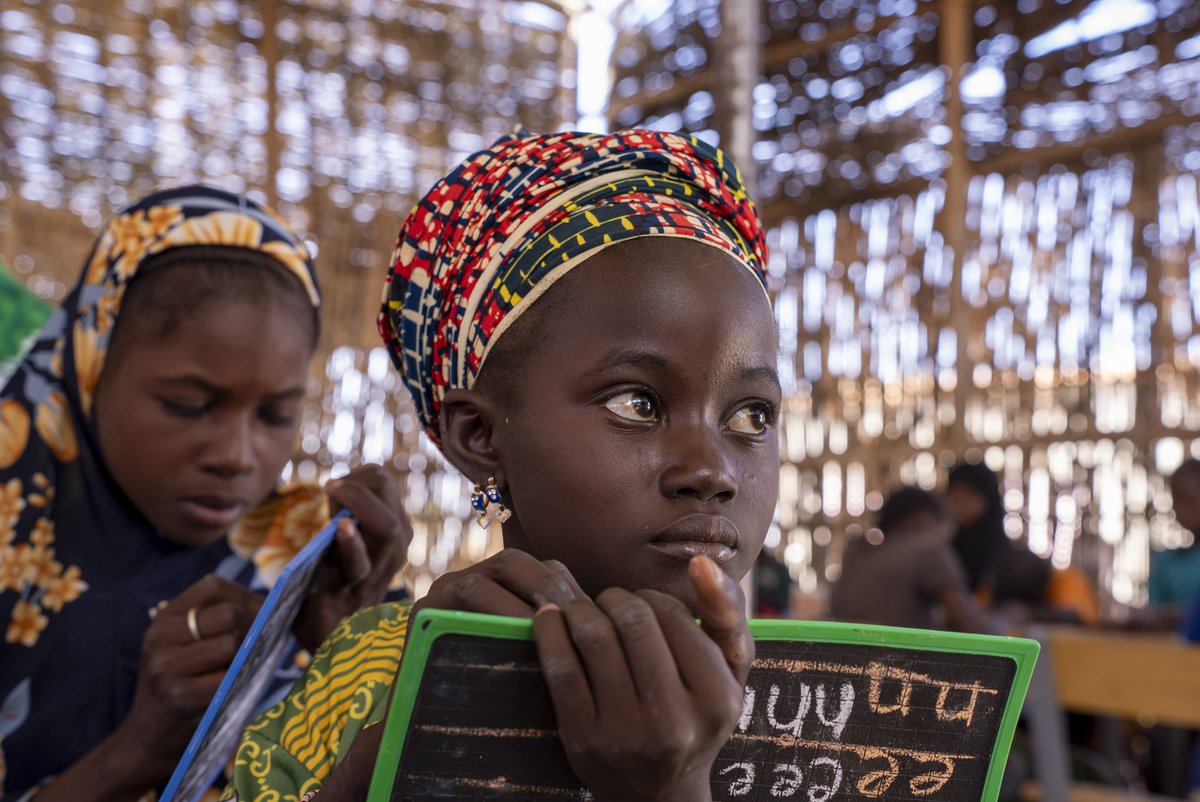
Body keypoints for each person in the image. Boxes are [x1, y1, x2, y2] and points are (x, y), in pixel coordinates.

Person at [223, 129, 780, 802]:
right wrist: (390, 757)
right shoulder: (377, 674)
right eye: (638, 403)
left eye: (752, 416)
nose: (712, 470)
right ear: (480, 435)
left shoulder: (833, 701)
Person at [0, 187, 410, 802]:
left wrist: (346, 656)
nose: (237, 456)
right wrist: (139, 752)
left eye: (275, 414)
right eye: (188, 404)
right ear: (92, 368)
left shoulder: (312, 558)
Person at [831, 486, 989, 632]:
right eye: (946, 523)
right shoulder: (928, 550)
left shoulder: (857, 551)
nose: (950, 533)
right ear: (922, 519)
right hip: (897, 652)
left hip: (845, 652)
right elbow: (972, 626)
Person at [1149, 459, 1200, 615]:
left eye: (1188, 501)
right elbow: (1154, 613)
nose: (1181, 510)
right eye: (1177, 501)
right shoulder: (1166, 562)